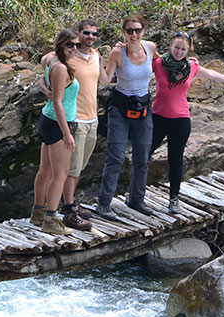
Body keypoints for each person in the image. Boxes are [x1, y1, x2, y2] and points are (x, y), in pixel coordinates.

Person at [150, 32, 224, 213]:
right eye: (176, 47)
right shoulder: (159, 64)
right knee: (142, 155)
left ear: (188, 50)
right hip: (157, 117)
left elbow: (210, 74)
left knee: (175, 160)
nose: (178, 51)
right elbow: (139, 58)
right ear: (170, 45)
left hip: (180, 120)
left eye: (183, 49)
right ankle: (135, 194)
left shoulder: (191, 66)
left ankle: (174, 199)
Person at [38, 20, 109, 227]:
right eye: (85, 33)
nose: (90, 37)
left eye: (94, 34)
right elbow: (45, 67)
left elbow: (104, 81)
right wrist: (45, 88)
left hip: (91, 118)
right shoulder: (63, 60)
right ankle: (66, 210)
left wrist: (115, 57)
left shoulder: (95, 55)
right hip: (71, 120)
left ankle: (54, 209)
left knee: (75, 168)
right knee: (65, 171)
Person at [96, 13, 159, 220]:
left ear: (143, 31)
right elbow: (105, 81)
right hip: (120, 108)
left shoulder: (149, 47)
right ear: (124, 32)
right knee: (116, 156)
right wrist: (96, 60)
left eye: (137, 30)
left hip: (143, 107)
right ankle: (104, 203)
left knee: (142, 157)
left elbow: (160, 63)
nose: (134, 34)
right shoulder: (118, 53)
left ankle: (136, 200)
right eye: (130, 30)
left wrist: (187, 61)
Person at [30, 29, 90, 234]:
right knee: (60, 174)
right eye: (70, 45)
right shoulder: (61, 69)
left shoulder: (50, 59)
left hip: (47, 120)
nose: (74, 49)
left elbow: (42, 73)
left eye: (77, 45)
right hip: (58, 123)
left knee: (45, 170)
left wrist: (44, 87)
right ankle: (50, 219)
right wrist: (67, 133)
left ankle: (37, 213)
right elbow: (57, 102)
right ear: (61, 46)